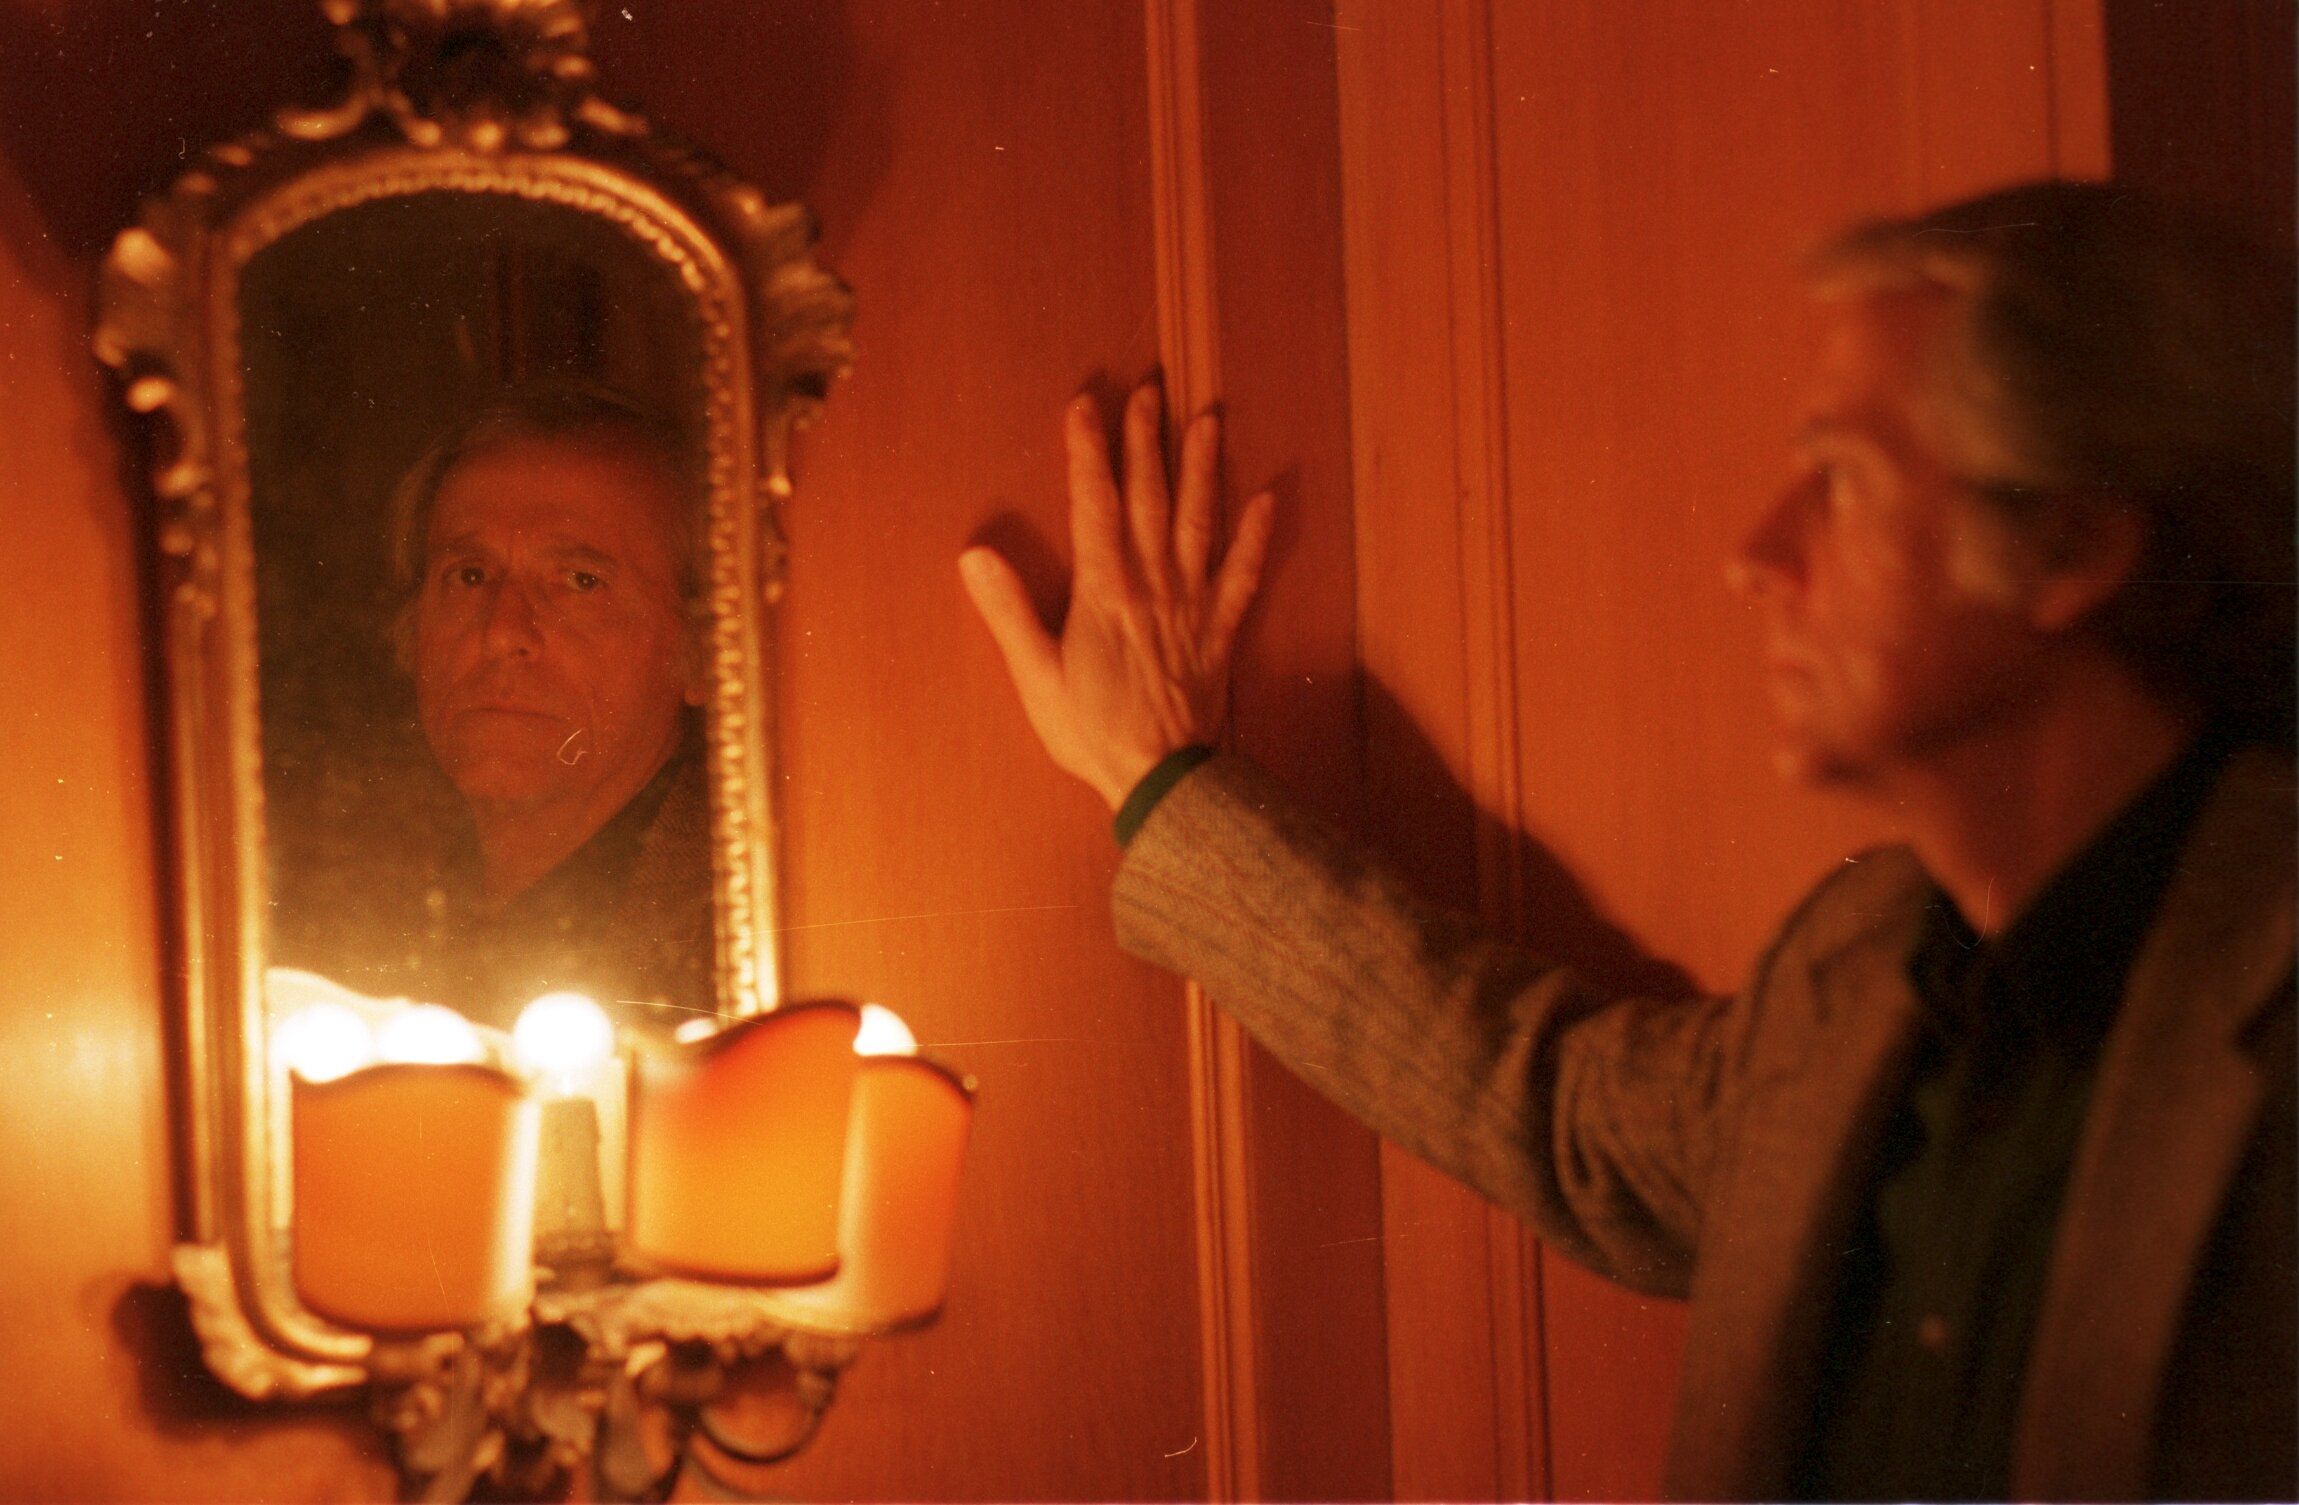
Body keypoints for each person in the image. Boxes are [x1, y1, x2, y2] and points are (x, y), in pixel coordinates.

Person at [959, 181, 2295, 1500]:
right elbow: (1555, 1108)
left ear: (2071, 546)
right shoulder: (1861, 961)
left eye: (1839, 480)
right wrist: (1159, 778)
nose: (1754, 553)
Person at [360, 387, 714, 1029]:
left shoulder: (738, 941)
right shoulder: (364, 908)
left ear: (698, 651)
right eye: (470, 576)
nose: (502, 631)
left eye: (581, 582)